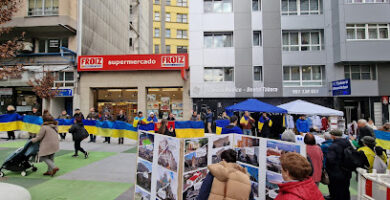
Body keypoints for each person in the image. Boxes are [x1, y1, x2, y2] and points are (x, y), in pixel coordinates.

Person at [326, 129, 353, 200]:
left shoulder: (333, 146)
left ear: (333, 136)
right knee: (345, 190)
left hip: (336, 173)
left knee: (336, 191)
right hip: (347, 172)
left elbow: (330, 160)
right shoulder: (348, 143)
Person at [31, 111, 60, 177]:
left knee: (42, 157)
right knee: (51, 157)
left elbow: (39, 137)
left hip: (47, 144)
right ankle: (49, 171)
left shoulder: (44, 127)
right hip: (55, 144)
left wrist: (32, 140)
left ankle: (54, 167)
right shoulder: (55, 126)